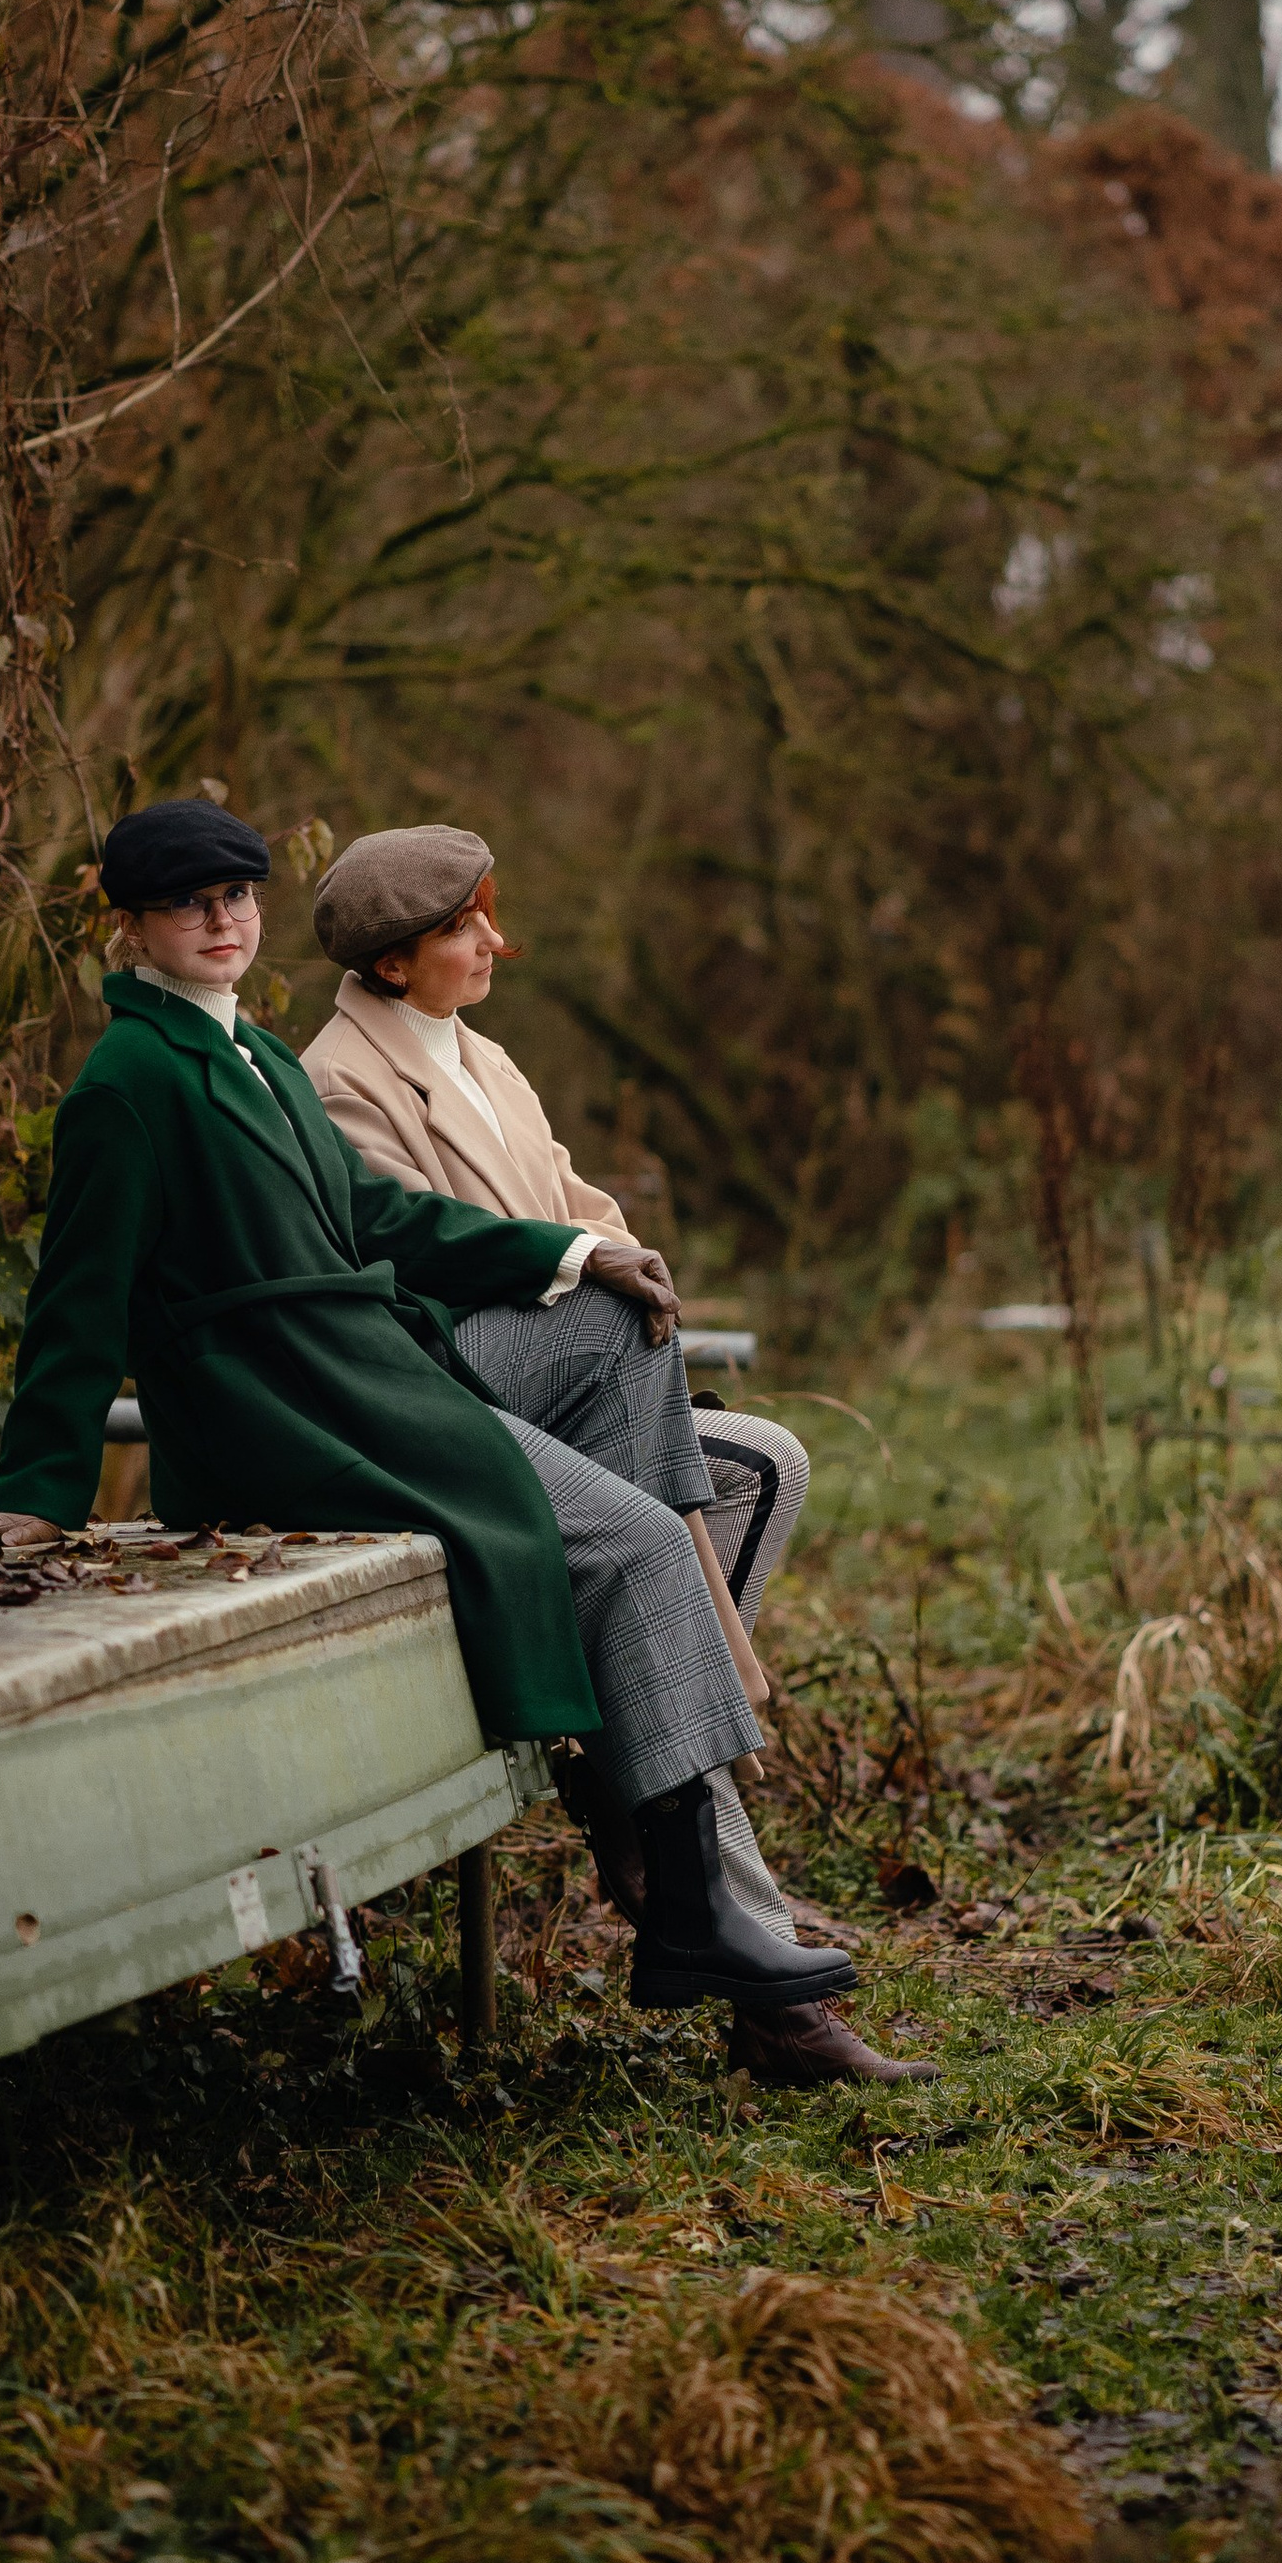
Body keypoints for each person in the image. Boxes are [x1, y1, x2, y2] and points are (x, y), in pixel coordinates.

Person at [0, 795, 853, 2026]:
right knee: (632, 1539)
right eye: (189, 905)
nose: (222, 920)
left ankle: (692, 1895)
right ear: (133, 928)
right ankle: (688, 1902)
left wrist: (572, 1256)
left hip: (367, 1376)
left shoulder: (249, 1054)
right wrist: (38, 1497)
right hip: (285, 1412)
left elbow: (381, 1224)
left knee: (624, 1418)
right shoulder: (130, 1079)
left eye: (238, 898)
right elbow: (76, 1300)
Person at [297, 820, 931, 2091]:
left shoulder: (487, 1058)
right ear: (389, 962)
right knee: (610, 1332)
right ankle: (709, 1878)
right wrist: (594, 1269)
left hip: (563, 1384)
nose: (489, 941)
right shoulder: (338, 1082)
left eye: (484, 916)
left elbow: (578, 1202)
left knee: (767, 1462)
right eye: (460, 927)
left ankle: (627, 1786)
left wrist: (607, 1254)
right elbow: (427, 1250)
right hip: (447, 1385)